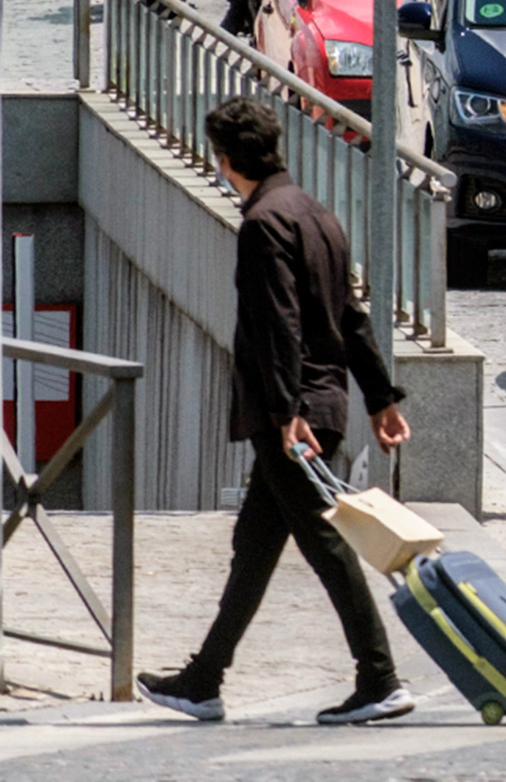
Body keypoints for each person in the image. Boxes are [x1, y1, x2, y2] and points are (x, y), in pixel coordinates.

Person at [136, 98, 415, 726]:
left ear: (225, 158)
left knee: (325, 542)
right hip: (322, 402)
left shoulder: (264, 223)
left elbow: (278, 322)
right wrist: (380, 398)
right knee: (255, 544)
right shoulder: (316, 214)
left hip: (293, 415)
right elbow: (351, 316)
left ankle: (380, 678)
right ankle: (203, 680)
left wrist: (288, 410)